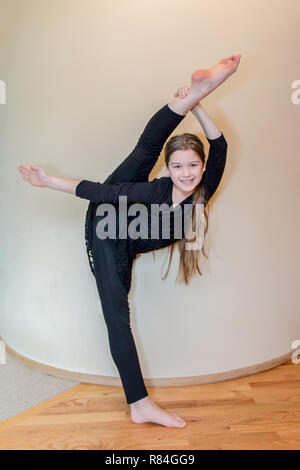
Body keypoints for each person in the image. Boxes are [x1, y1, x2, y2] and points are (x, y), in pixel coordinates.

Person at [18, 54, 242, 428]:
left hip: (128, 233)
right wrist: (49, 181)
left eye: (193, 165)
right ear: (168, 171)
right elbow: (102, 195)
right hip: (106, 229)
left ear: (202, 168)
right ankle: (140, 405)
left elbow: (220, 147)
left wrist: (200, 104)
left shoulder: (203, 189)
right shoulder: (154, 192)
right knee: (117, 317)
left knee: (143, 154)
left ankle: (195, 92)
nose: (186, 174)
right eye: (177, 167)